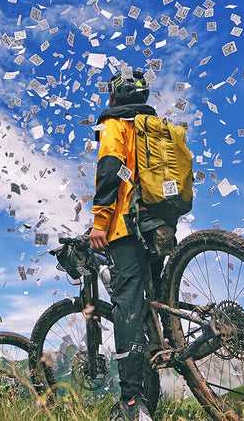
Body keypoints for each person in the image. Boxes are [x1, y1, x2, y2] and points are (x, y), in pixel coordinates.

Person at [88, 69, 177, 421]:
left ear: (115, 96)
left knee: (127, 303)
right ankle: (170, 354)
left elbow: (110, 170)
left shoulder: (115, 125)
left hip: (127, 226)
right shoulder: (157, 128)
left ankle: (130, 403)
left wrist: (99, 222)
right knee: (151, 299)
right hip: (161, 225)